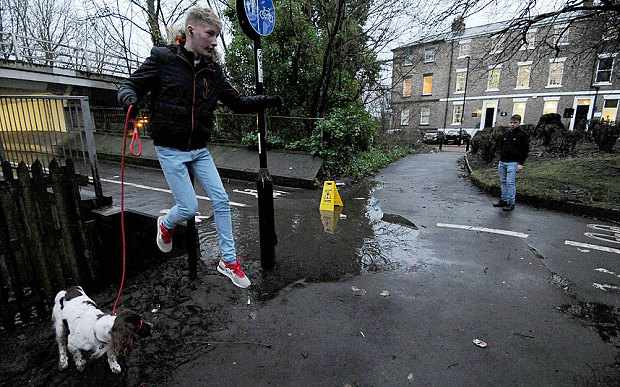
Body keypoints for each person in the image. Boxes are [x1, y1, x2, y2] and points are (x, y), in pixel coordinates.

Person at [117, 7, 281, 288]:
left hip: (199, 149)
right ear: (191, 30)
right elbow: (130, 84)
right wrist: (129, 98)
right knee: (189, 206)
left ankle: (228, 261)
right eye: (210, 34)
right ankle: (166, 224)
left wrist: (266, 100)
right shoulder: (163, 59)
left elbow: (237, 102)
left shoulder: (212, 71)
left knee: (221, 201)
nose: (215, 41)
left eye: (217, 35)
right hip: (170, 149)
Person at [493, 114, 529, 211]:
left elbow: (525, 150)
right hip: (503, 162)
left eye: (515, 123)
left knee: (510, 183)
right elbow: (500, 146)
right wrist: (500, 157)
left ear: (519, 123)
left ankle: (511, 202)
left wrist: (521, 163)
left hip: (513, 163)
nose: (512, 124)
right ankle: (503, 200)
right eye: (511, 122)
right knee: (503, 181)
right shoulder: (506, 134)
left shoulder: (522, 135)